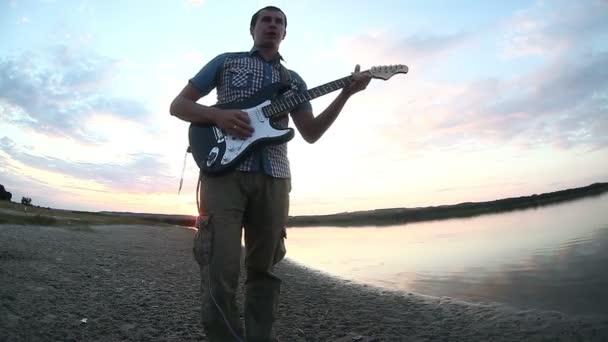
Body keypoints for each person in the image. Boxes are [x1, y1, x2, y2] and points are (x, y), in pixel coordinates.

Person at [169, 6, 371, 341]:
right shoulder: (226, 61)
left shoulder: (294, 82)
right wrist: (217, 117)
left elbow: (311, 132)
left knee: (264, 269)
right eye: (267, 19)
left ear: (285, 33)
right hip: (223, 175)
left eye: (280, 22)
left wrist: (345, 94)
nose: (273, 25)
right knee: (220, 267)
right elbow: (179, 105)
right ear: (253, 28)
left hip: (275, 177)